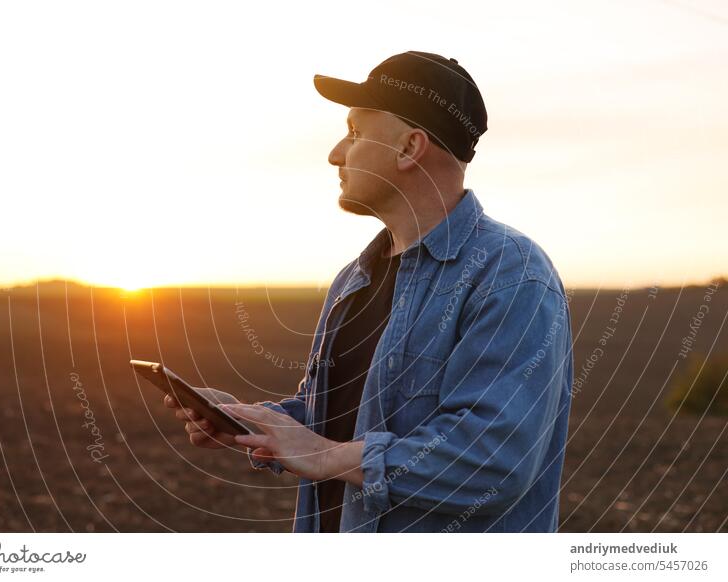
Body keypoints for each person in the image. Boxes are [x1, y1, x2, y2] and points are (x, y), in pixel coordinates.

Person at [165, 51, 573, 533]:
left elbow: (494, 460)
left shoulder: (511, 275)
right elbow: (336, 422)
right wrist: (247, 421)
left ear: (409, 149)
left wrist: (324, 455)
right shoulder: (354, 279)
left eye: (355, 132)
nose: (337, 153)